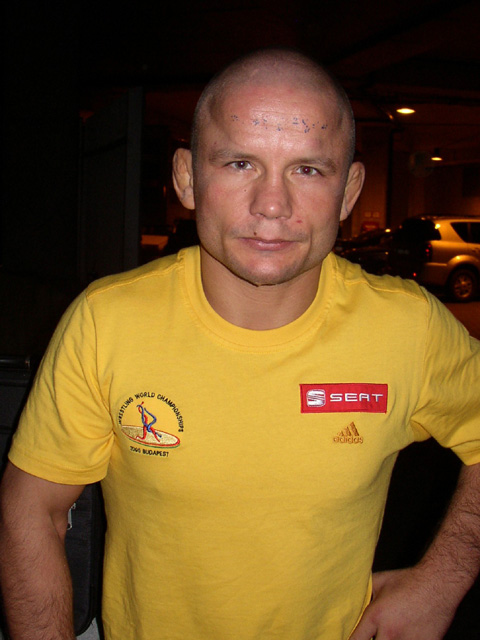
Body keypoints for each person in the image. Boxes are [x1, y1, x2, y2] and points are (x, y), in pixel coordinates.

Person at [1, 47, 479, 640]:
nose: (272, 205)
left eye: (308, 170)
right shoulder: (107, 322)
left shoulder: (409, 328)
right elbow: (33, 507)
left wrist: (441, 582)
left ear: (349, 190)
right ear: (186, 178)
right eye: (239, 163)